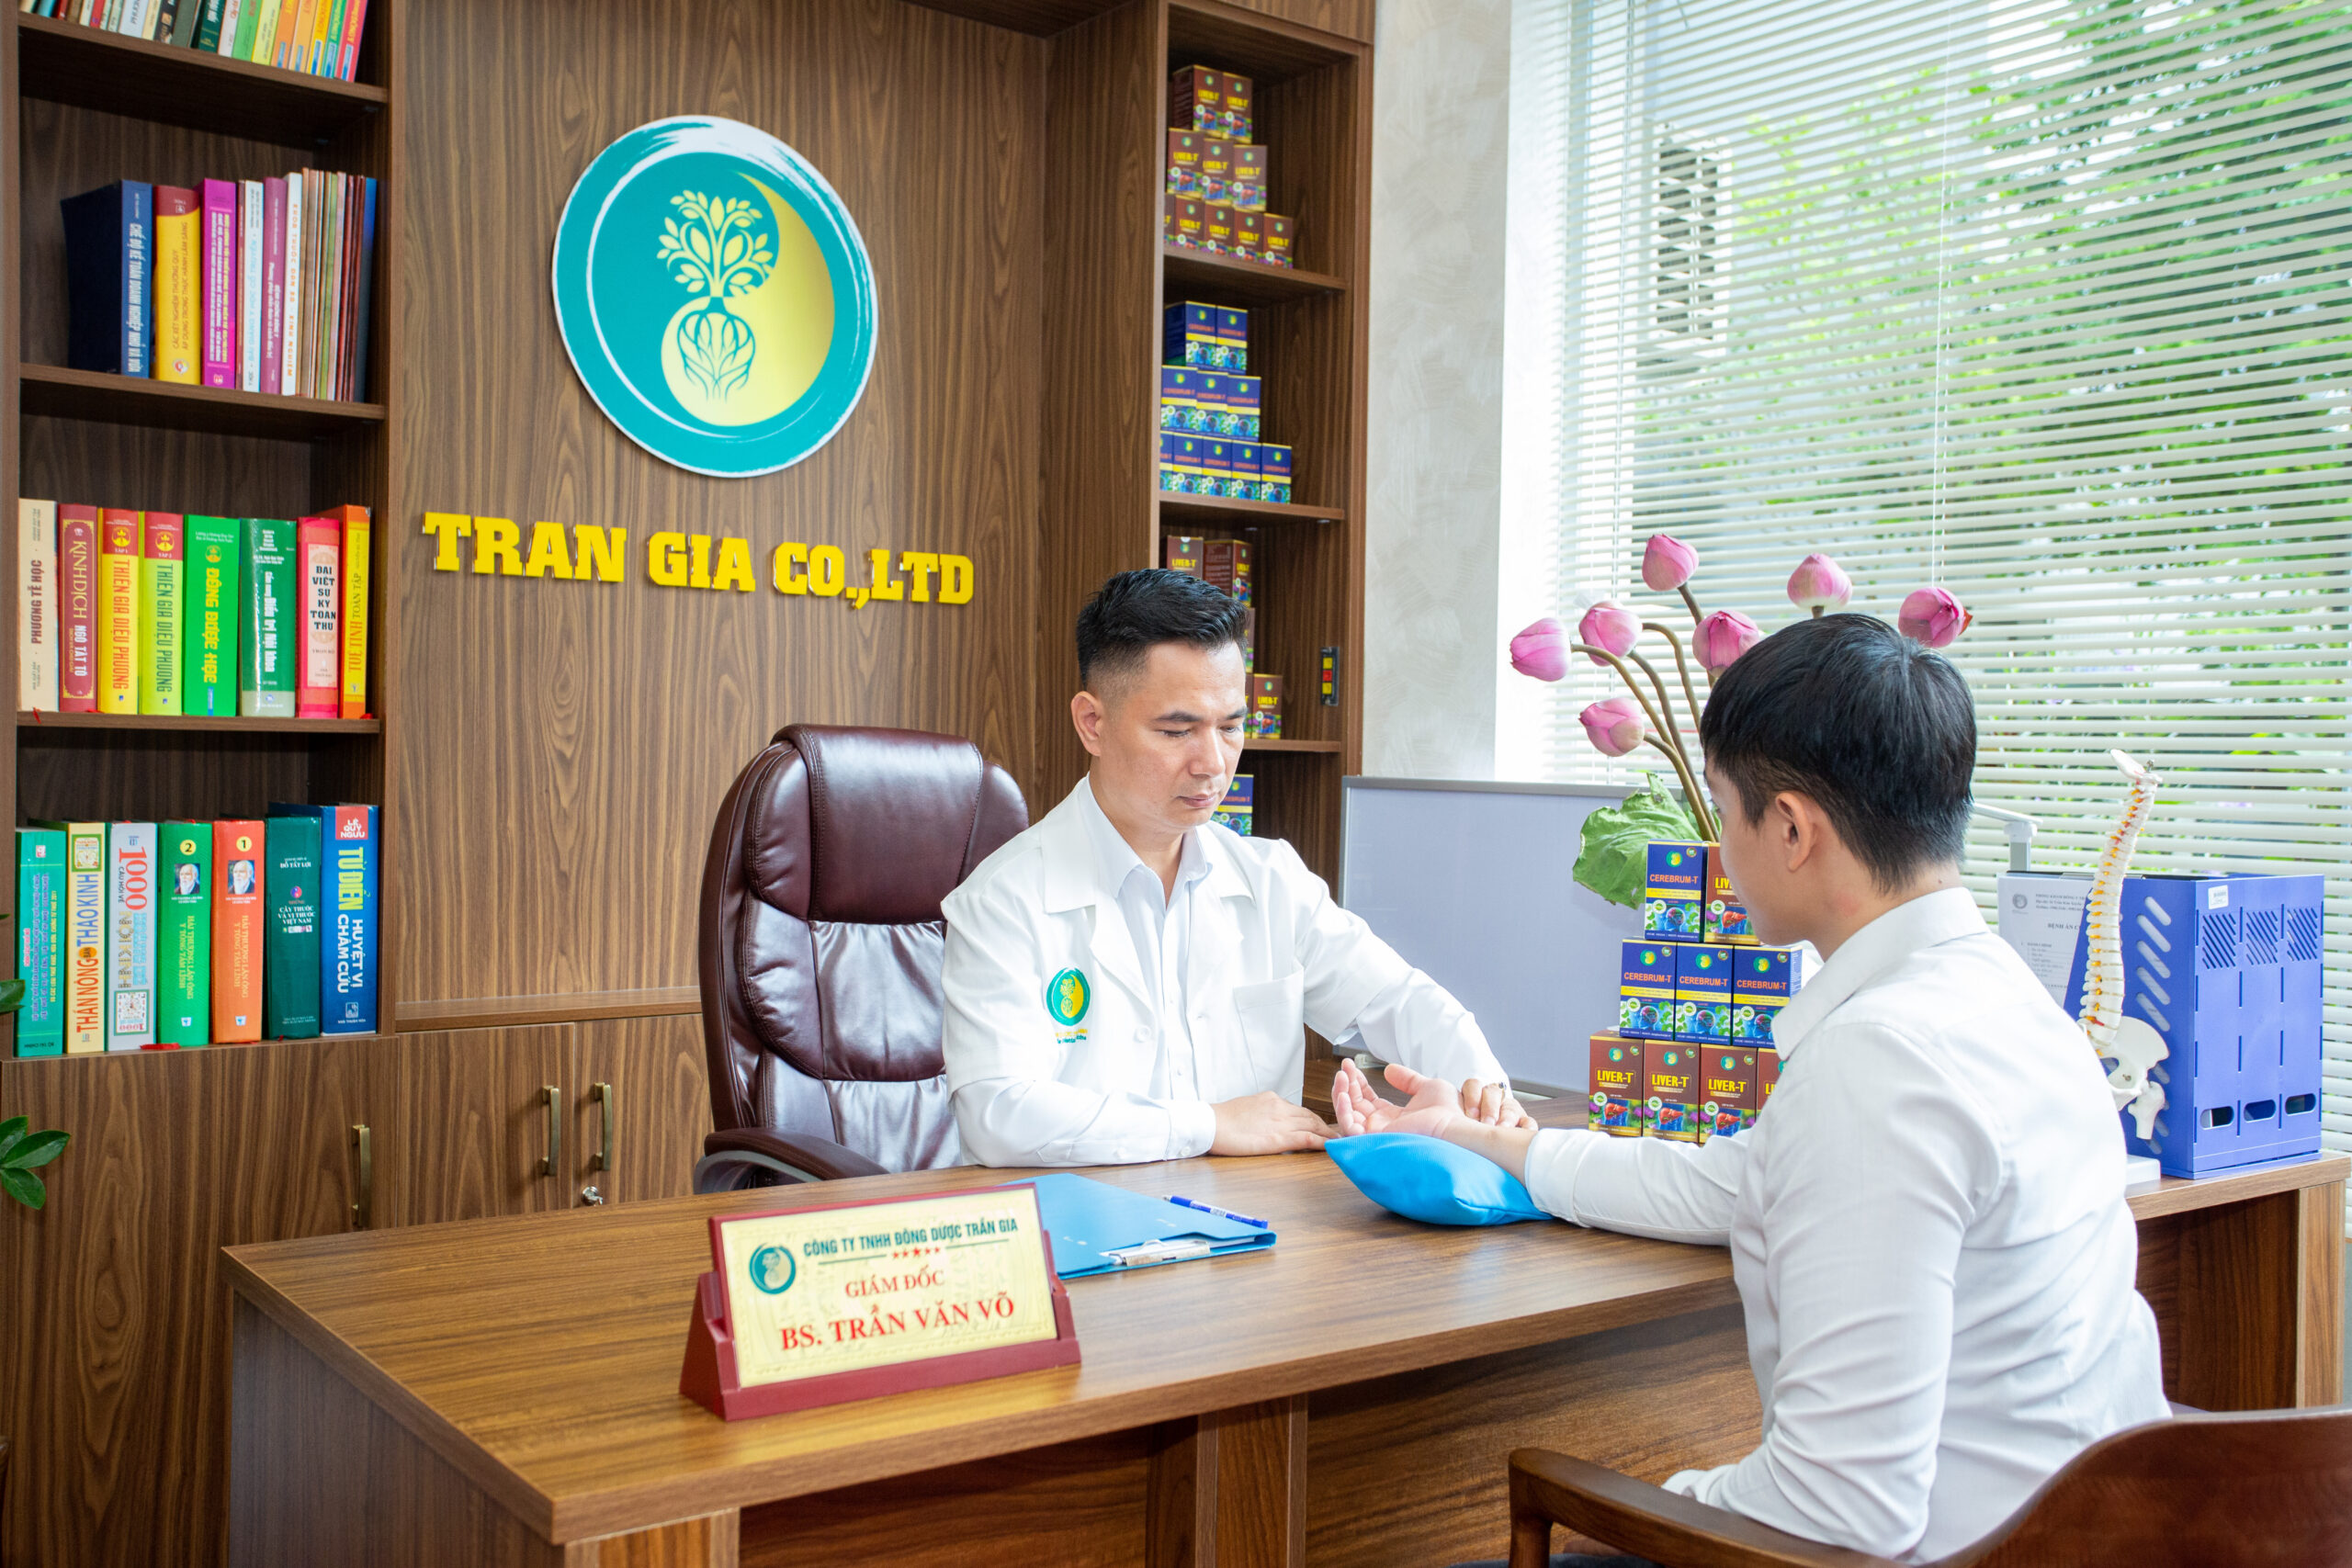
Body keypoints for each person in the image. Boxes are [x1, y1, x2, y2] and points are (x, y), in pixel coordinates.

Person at [1334, 614, 2168, 1566]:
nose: (1720, 848)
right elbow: (1733, 1185)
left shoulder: (1879, 1060)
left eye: (1725, 811)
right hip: (2078, 1533)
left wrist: (1635, 1514)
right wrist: (1490, 1140)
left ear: (1793, 829)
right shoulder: (2007, 1002)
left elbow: (1840, 1510)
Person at [942, 569, 1533, 1168]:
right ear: (1092, 724)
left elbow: (1397, 999)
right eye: (1177, 730)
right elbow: (999, 1115)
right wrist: (1206, 1124)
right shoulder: (1003, 899)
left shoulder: (1270, 878)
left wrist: (1484, 1092)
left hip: (1254, 1213)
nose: (1212, 763)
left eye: (1230, 727)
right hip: (1076, 1215)